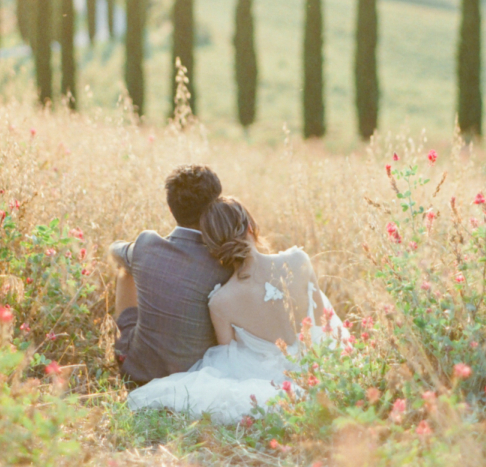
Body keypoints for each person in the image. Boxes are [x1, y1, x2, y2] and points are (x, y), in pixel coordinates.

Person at [126, 196, 349, 424]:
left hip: (270, 385)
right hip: (322, 371)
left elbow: (229, 360)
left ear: (212, 249)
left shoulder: (221, 302)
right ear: (251, 227)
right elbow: (325, 326)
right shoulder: (298, 260)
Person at [110, 164, 232, 383]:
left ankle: (121, 349)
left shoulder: (147, 244)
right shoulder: (223, 262)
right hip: (192, 377)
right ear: (216, 208)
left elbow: (114, 250)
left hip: (137, 372)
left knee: (124, 268)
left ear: (170, 208)